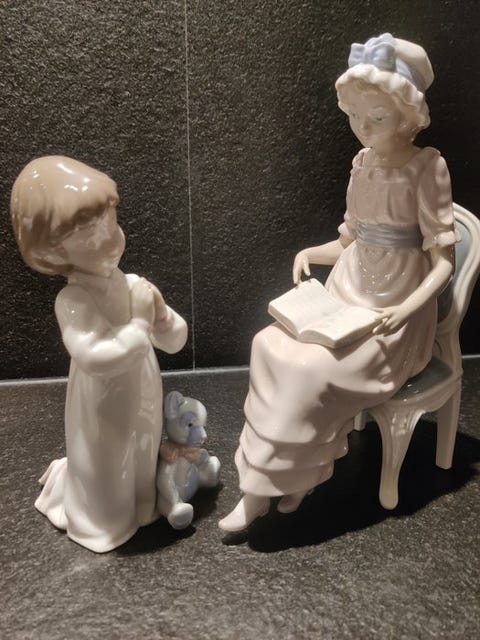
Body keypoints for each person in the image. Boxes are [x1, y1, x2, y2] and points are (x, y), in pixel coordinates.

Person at [219, 34, 459, 532]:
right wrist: (311, 252)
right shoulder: (361, 164)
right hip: (346, 294)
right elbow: (350, 239)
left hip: (396, 312)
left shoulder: (427, 167)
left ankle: (279, 484)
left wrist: (406, 310)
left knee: (311, 370)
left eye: (378, 118)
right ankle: (273, 483)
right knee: (268, 346)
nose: (363, 129)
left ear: (408, 115)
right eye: (355, 117)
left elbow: (443, 264)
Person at [11, 156, 188, 552]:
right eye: (92, 237)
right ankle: (104, 519)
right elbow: (93, 358)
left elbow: (175, 341)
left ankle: (142, 504)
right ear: (54, 252)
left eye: (113, 226)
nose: (111, 241)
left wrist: (162, 318)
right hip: (102, 401)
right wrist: (139, 324)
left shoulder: (132, 284)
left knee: (143, 445)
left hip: (143, 387)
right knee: (107, 457)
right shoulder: (73, 300)